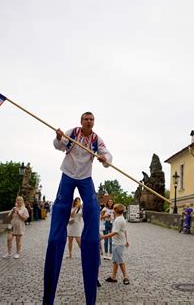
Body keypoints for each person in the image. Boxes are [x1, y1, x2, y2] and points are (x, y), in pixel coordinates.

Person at [43, 111, 112, 305]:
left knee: (91, 206)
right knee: (61, 205)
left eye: (91, 120)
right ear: (81, 122)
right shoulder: (73, 132)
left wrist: (105, 160)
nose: (89, 122)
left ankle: (90, 237)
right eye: (86, 119)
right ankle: (58, 231)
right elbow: (59, 145)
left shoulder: (96, 139)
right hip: (68, 174)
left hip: (85, 177)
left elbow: (107, 154)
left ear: (94, 122)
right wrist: (57, 138)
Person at [100, 204, 130, 285]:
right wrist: (126, 240)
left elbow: (115, 232)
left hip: (118, 243)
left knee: (120, 260)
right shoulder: (121, 219)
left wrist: (103, 237)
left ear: (115, 210)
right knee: (115, 260)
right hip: (118, 242)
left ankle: (125, 277)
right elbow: (124, 230)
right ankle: (113, 277)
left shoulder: (118, 220)